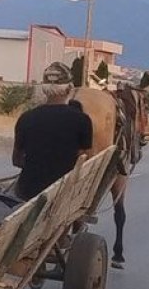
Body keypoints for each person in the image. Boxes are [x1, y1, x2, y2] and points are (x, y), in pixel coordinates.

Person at [12, 63, 93, 201]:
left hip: (27, 192)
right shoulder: (82, 120)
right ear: (69, 89)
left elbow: (16, 160)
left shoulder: (26, 118)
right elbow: (85, 161)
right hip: (64, 194)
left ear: (44, 90)